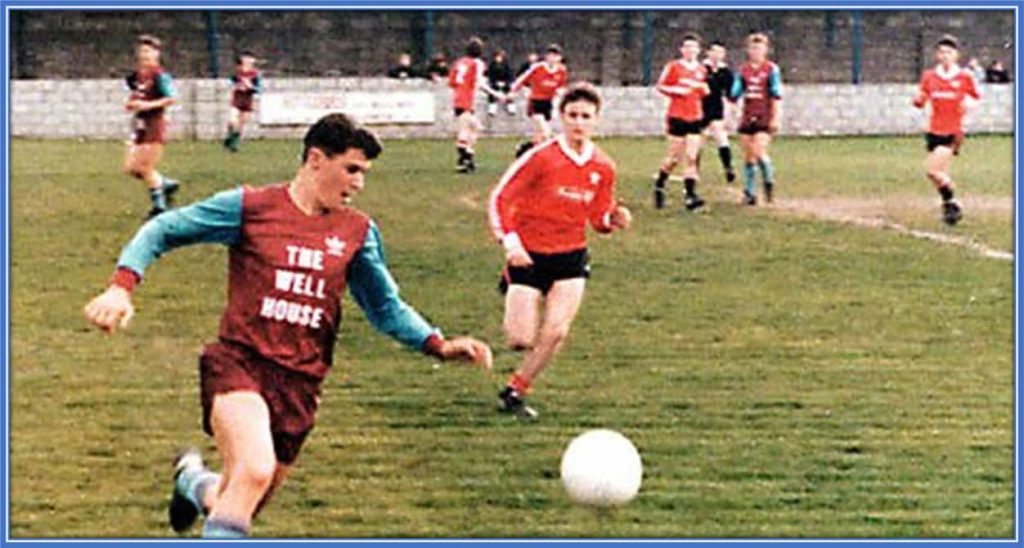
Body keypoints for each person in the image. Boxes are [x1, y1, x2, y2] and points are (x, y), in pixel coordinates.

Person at [83, 113, 493, 538]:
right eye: (351, 169)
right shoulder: (252, 208)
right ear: (316, 159)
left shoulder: (357, 232)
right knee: (254, 470)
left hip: (300, 384)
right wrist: (120, 288)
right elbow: (163, 229)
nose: (359, 184)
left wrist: (437, 345)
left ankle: (191, 481)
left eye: (364, 174)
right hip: (240, 364)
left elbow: (385, 306)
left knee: (241, 498)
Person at [487, 83, 632, 419]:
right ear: (561, 117)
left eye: (586, 116)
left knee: (556, 332)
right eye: (572, 115)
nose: (578, 122)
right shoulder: (541, 158)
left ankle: (516, 389)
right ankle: (511, 286)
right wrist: (510, 244)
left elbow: (597, 218)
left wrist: (614, 219)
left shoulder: (603, 166)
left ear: (596, 120)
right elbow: (500, 199)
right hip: (528, 254)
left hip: (570, 256)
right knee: (520, 339)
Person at [912, 35, 981, 226]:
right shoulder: (930, 76)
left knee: (932, 170)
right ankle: (949, 204)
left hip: (952, 131)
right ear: (936, 55)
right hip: (933, 130)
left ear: (957, 55)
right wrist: (917, 100)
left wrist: (967, 105)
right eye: (941, 52)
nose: (945, 56)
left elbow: (975, 98)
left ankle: (953, 201)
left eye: (949, 52)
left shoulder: (964, 77)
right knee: (939, 174)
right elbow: (921, 99)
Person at [123, 34, 180, 219]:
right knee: (131, 168)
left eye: (148, 51)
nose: (144, 55)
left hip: (154, 126)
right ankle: (165, 183)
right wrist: (131, 103)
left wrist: (147, 106)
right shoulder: (140, 75)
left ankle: (159, 208)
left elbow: (172, 98)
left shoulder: (160, 75)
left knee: (145, 167)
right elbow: (138, 96)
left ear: (157, 53)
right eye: (141, 51)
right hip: (140, 126)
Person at [652, 33, 710, 212]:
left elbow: (705, 89)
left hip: (695, 116)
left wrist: (702, 89)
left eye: (694, 47)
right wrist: (677, 90)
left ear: (699, 51)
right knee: (673, 159)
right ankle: (660, 185)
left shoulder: (701, 69)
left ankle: (690, 196)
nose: (690, 50)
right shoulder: (674, 67)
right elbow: (661, 86)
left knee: (692, 157)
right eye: (687, 47)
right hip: (677, 116)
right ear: (682, 50)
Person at [729, 32, 783, 205]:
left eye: (759, 48)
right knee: (748, 156)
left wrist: (775, 118)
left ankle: (769, 184)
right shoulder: (743, 70)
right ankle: (750, 193)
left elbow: (776, 96)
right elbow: (735, 93)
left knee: (759, 152)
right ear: (748, 50)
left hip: (764, 117)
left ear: (766, 50)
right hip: (747, 116)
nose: (756, 51)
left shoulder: (771, 70)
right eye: (753, 48)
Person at [448, 36, 505, 173]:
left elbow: (452, 82)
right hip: (466, 99)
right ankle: (464, 159)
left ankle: (467, 156)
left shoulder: (459, 62)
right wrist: (496, 94)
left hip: (458, 98)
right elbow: (480, 83)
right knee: (468, 129)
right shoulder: (477, 63)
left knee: (474, 127)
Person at [510, 44, 569, 158]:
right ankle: (552, 157)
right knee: (546, 132)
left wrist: (561, 95)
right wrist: (513, 91)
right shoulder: (538, 67)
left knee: (539, 138)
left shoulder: (561, 71)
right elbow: (522, 79)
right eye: (550, 55)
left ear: (560, 58)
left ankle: (523, 150)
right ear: (546, 57)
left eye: (555, 55)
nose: (552, 58)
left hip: (548, 103)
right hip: (535, 102)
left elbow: (561, 87)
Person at [701, 40, 736, 184]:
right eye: (714, 51)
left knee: (721, 138)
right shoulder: (701, 69)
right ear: (708, 53)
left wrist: (730, 113)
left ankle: (728, 168)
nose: (717, 55)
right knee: (697, 142)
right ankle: (693, 171)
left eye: (720, 52)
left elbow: (729, 94)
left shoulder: (726, 73)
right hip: (700, 108)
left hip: (716, 109)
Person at [223, 51, 263, 153]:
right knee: (232, 120)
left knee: (241, 123)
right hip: (237, 99)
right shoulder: (237, 72)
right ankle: (229, 138)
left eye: (250, 59)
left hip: (248, 100)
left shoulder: (255, 74)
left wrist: (251, 87)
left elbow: (259, 89)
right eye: (246, 58)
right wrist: (238, 86)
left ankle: (233, 144)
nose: (249, 61)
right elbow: (231, 83)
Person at [487, 49, 516, 116]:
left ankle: (511, 108)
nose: (498, 58)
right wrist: (495, 83)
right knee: (492, 93)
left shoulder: (507, 65)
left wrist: (506, 83)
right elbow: (490, 77)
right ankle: (492, 109)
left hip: (506, 83)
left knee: (509, 92)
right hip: (496, 83)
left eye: (500, 57)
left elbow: (511, 76)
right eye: (497, 57)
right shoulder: (492, 66)